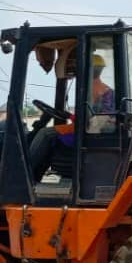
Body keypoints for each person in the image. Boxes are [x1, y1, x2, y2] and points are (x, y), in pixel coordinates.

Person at [29, 53, 116, 181]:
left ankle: (23, 171)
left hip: (88, 132)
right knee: (50, 138)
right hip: (90, 128)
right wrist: (70, 115)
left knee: (44, 134)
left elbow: (92, 120)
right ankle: (35, 177)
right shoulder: (104, 89)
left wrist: (71, 116)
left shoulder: (94, 90)